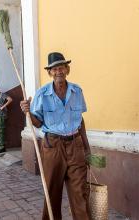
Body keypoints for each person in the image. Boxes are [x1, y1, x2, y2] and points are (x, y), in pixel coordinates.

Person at [20, 52, 91, 220]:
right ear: (50, 72)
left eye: (62, 67)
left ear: (67, 69)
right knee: (52, 191)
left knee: (80, 192)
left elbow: (80, 120)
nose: (59, 71)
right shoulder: (42, 94)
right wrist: (28, 112)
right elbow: (37, 123)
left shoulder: (77, 91)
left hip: (75, 144)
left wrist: (86, 147)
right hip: (52, 146)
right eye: (55, 69)